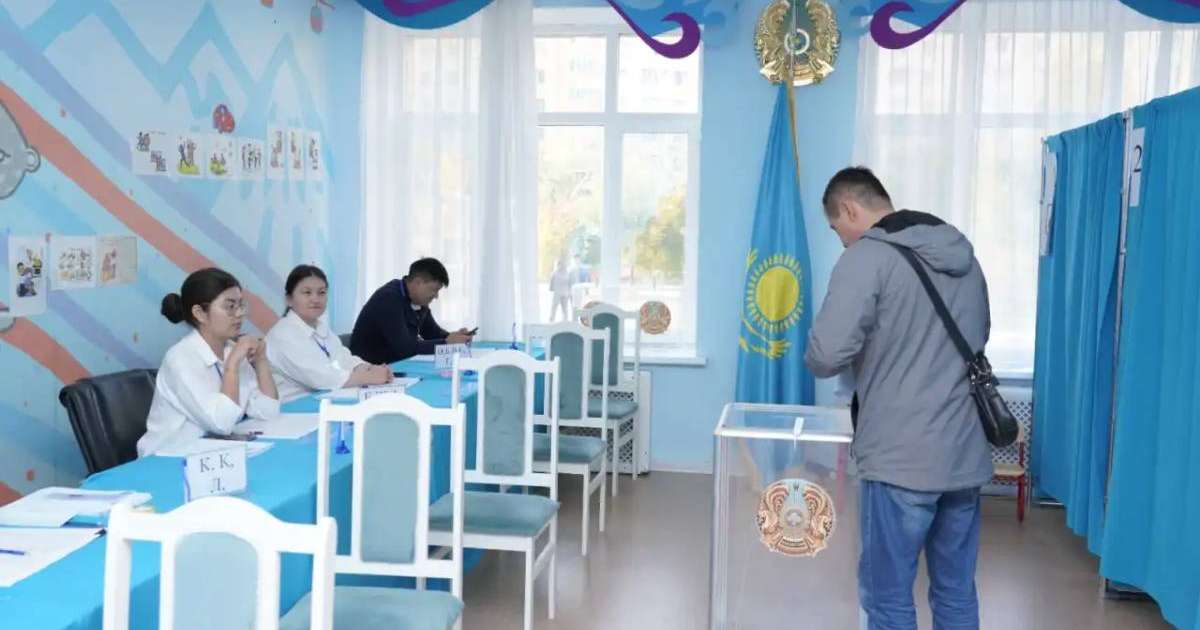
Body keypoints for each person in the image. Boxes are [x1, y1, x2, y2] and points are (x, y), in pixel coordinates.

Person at [804, 167, 992, 630]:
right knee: (955, 591)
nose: (841, 240)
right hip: (964, 454)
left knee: (888, 597)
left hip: (900, 458)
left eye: (836, 229)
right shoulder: (962, 254)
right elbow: (978, 332)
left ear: (849, 209)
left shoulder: (866, 258)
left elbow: (826, 354)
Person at [138, 268, 280, 456]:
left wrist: (261, 361)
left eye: (240, 305)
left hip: (212, 454)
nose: (239, 314)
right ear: (200, 313)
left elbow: (268, 411)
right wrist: (231, 366)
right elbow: (221, 423)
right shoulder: (180, 359)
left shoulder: (231, 349)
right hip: (168, 459)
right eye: (230, 306)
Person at [266, 265, 395, 402]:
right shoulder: (283, 334)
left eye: (321, 292)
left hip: (322, 399)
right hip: (291, 409)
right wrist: (368, 377)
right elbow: (318, 377)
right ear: (289, 299)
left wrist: (369, 368)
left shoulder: (320, 327)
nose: (315, 299)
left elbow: (342, 357)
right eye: (307, 293)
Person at [349, 257, 475, 364]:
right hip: (370, 370)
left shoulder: (418, 300)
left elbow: (432, 332)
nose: (436, 296)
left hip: (395, 366)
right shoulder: (388, 299)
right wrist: (447, 343)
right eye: (434, 290)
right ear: (418, 283)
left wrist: (455, 337)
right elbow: (406, 349)